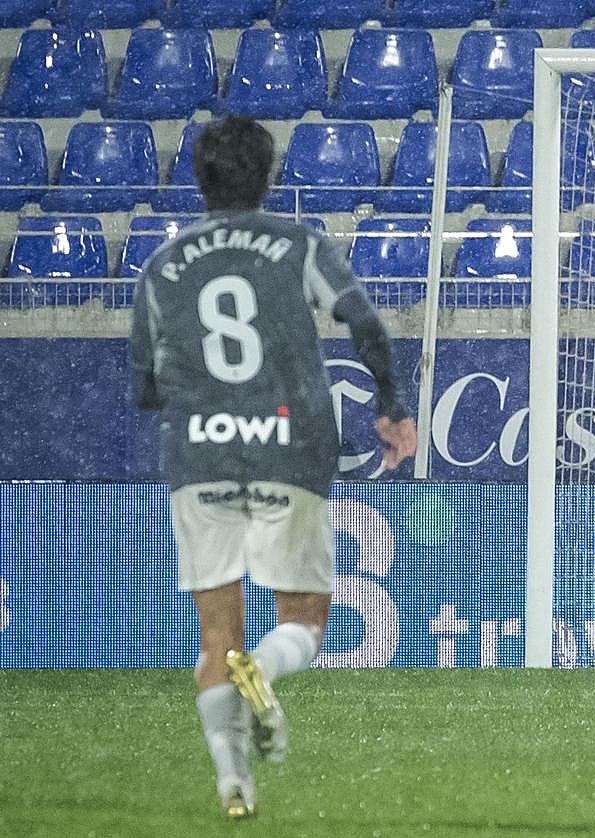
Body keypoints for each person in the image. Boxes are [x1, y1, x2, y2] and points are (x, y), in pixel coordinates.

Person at [129, 115, 418, 817]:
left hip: (200, 453)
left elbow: (144, 387)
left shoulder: (161, 266)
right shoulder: (299, 244)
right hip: (289, 442)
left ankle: (233, 782)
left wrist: (208, 403)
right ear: (270, 175)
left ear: (197, 181)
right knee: (304, 618)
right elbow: (364, 321)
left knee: (214, 637)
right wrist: (391, 404)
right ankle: (267, 666)